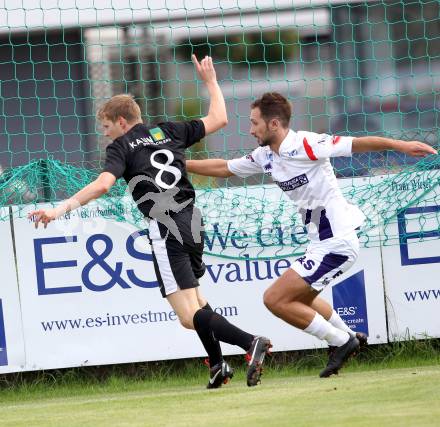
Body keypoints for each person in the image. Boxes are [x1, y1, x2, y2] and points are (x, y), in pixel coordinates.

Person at [28, 56, 272, 389]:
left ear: (121, 122)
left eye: (106, 127)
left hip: (165, 228)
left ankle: (249, 342)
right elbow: (220, 118)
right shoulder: (168, 130)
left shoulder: (121, 146)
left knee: (188, 317)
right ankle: (217, 365)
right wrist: (211, 81)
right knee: (198, 304)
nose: (106, 135)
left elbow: (102, 185)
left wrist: (61, 209)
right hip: (192, 222)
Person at [186, 92, 437, 377]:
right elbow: (224, 168)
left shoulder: (306, 143)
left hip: (337, 242)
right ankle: (349, 336)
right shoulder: (265, 155)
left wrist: (400, 145)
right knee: (302, 299)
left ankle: (341, 341)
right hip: (321, 243)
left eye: (255, 123)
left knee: (274, 299)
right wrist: (180, 165)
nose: (251, 129)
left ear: (275, 124)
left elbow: (356, 144)